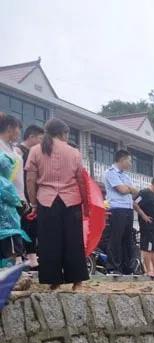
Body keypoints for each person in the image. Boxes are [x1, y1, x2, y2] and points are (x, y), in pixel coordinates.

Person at [24, 118, 88, 290]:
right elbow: (81, 180)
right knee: (74, 241)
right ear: (62, 133)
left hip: (46, 200)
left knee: (48, 241)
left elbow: (30, 180)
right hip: (71, 200)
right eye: (67, 133)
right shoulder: (74, 152)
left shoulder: (35, 150)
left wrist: (33, 203)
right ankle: (77, 282)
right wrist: (85, 204)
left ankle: (54, 281)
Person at [103, 150, 138, 275]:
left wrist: (129, 189)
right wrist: (129, 188)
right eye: (129, 160)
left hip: (128, 209)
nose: (130, 164)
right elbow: (122, 190)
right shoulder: (110, 173)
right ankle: (113, 267)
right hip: (117, 208)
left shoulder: (126, 176)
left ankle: (126, 267)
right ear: (122, 159)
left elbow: (135, 191)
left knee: (127, 239)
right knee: (116, 238)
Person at [16, 125, 44, 267]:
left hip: (32, 196)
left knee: (32, 227)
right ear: (31, 137)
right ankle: (18, 258)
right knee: (21, 226)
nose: (42, 142)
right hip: (20, 195)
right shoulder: (18, 151)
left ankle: (32, 258)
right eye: (40, 138)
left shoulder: (36, 153)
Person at [133, 176, 154, 279]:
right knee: (148, 247)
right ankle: (148, 270)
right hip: (147, 225)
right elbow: (134, 203)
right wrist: (144, 216)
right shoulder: (144, 193)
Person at [0, 114, 23, 201]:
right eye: (18, 129)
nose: (20, 133)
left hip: (15, 199)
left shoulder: (14, 150)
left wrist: (22, 198)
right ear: (9, 128)